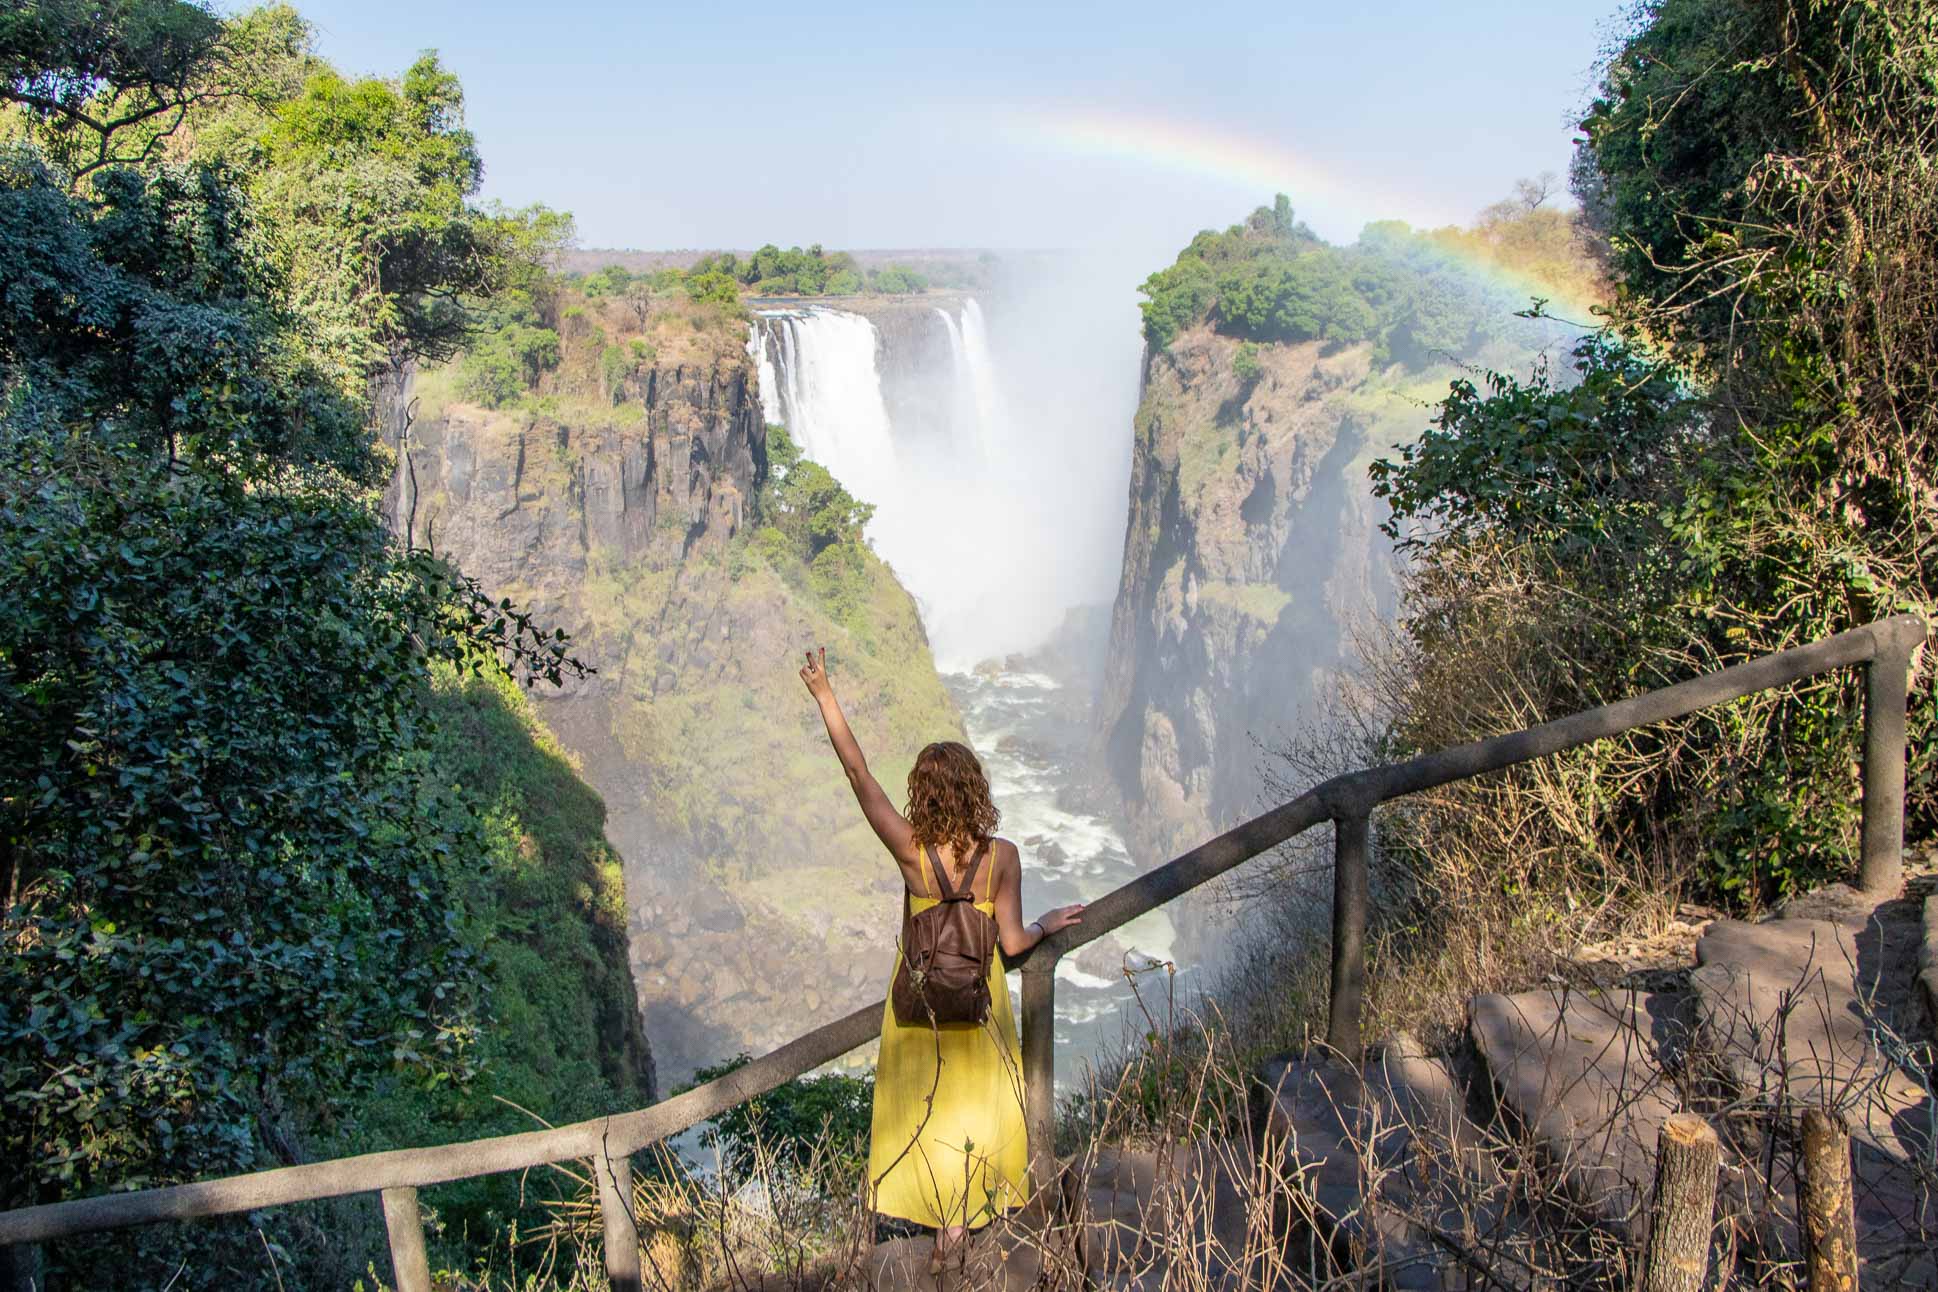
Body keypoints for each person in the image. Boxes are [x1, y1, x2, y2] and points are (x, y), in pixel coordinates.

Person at [800, 646, 1084, 1266]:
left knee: (926, 1114)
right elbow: (1012, 944)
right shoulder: (1001, 855)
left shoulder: (910, 852)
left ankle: (937, 1236)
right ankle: (958, 1232)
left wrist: (825, 696)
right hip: (980, 1008)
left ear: (922, 795)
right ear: (975, 790)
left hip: (919, 1008)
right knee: (974, 1114)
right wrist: (1047, 923)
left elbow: (858, 775)